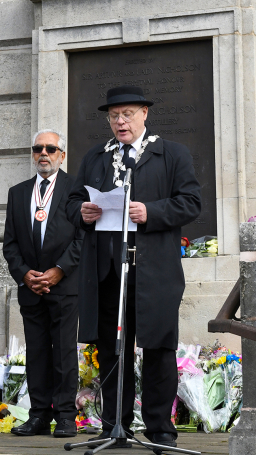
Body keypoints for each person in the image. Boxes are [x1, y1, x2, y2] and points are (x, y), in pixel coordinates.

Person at [67, 86, 201, 448]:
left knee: (158, 349)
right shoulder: (96, 157)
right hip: (109, 271)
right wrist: (82, 211)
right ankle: (116, 426)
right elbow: (73, 200)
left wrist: (151, 212)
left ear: (145, 113)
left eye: (127, 114)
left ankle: (160, 431)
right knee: (112, 349)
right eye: (113, 116)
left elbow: (191, 203)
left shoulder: (170, 153)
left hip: (154, 271)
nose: (120, 121)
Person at [3, 129, 81, 438]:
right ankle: (38, 415)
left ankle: (64, 416)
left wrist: (59, 270)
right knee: (36, 353)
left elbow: (82, 238)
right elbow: (10, 243)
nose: (44, 153)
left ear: (62, 155)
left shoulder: (76, 189)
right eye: (38, 148)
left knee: (63, 352)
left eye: (51, 148)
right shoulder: (18, 192)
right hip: (31, 287)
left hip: (63, 285)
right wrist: (25, 274)